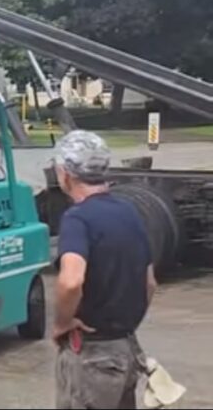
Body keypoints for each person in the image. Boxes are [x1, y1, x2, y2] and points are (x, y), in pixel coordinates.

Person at [52, 130, 158, 409]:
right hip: (126, 350)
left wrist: (62, 322)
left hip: (93, 356)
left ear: (65, 174)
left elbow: (71, 281)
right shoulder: (129, 211)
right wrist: (124, 325)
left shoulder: (78, 218)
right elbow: (149, 284)